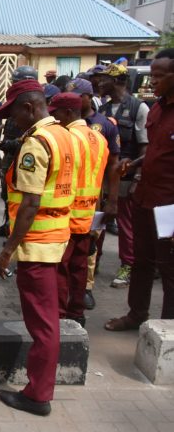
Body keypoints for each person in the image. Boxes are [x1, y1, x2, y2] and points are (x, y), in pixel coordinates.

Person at [0, 79, 79, 416]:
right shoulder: (63, 134)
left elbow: (29, 204)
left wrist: (6, 250)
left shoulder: (36, 144)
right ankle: (39, 389)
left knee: (43, 325)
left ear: (29, 107)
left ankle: (38, 394)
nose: (12, 120)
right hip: (57, 238)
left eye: (13, 113)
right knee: (48, 320)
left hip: (38, 245)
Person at [104, 49, 174, 331]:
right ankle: (136, 315)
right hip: (145, 197)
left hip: (170, 206)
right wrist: (133, 164)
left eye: (159, 75)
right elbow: (157, 150)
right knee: (142, 261)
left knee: (169, 269)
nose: (152, 80)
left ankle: (167, 329)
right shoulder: (157, 108)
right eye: (152, 74)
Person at [49, 93, 108, 327]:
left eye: (56, 112)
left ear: (69, 113)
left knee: (61, 268)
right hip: (89, 213)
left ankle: (61, 317)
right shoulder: (99, 138)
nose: (53, 117)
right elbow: (101, 179)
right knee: (80, 266)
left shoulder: (68, 137)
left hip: (67, 213)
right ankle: (76, 313)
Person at [67, 77, 121, 310]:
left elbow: (114, 165)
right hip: (68, 197)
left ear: (89, 96)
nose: (76, 100)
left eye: (79, 95)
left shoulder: (104, 124)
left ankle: (86, 288)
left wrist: (112, 200)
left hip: (94, 197)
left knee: (90, 245)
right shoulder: (65, 123)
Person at [99, 63, 150, 289]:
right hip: (102, 176)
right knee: (99, 221)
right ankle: (95, 259)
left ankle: (127, 265)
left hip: (125, 177)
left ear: (118, 81)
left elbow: (144, 148)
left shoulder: (139, 108)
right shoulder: (104, 109)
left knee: (125, 223)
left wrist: (137, 176)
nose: (100, 84)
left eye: (105, 80)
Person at [0, 66, 38, 238]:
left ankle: (16, 230)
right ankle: (8, 223)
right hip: (10, 152)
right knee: (6, 192)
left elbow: (32, 134)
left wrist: (12, 144)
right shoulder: (15, 99)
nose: (13, 85)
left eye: (16, 82)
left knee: (19, 195)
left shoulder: (33, 103)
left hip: (24, 154)